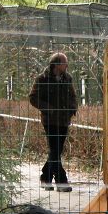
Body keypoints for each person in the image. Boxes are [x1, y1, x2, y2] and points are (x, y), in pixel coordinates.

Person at [29, 52, 78, 192]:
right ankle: (62, 182)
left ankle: (46, 177)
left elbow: (73, 96)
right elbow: (33, 98)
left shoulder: (68, 78)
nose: (67, 65)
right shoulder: (42, 79)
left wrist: (73, 108)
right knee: (55, 150)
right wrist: (48, 109)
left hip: (63, 120)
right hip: (49, 120)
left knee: (56, 151)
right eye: (64, 63)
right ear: (56, 65)